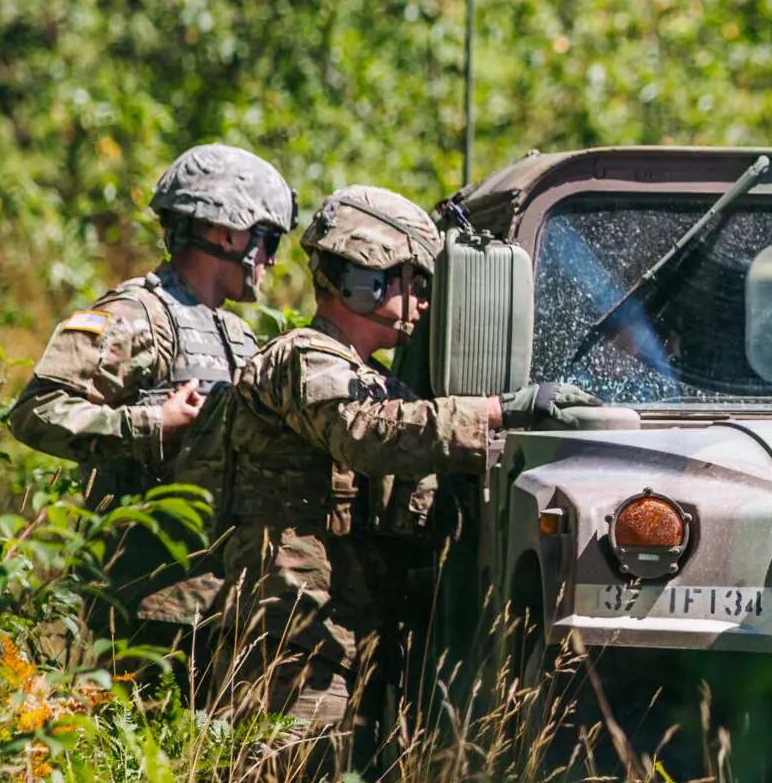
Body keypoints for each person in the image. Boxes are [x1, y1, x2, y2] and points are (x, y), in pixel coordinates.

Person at [213, 186, 582, 733]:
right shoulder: (302, 359)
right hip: (292, 632)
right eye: (417, 283)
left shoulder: (380, 382)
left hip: (348, 633)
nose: (426, 302)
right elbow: (363, 433)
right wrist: (498, 411)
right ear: (367, 279)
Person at [7, 143, 298, 646]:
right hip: (142, 613)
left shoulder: (239, 335)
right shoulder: (135, 315)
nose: (271, 259)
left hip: (226, 613)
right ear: (228, 233)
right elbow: (36, 410)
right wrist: (151, 425)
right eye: (267, 239)